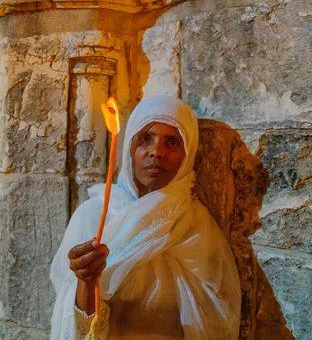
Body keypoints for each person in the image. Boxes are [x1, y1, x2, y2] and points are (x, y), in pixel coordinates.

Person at [50, 95, 241, 340]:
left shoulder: (195, 226)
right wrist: (86, 281)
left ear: (188, 153)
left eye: (171, 142)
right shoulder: (94, 217)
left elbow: (216, 315)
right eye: (145, 139)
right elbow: (81, 326)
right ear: (130, 148)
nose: (155, 152)